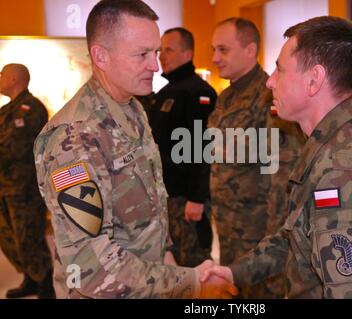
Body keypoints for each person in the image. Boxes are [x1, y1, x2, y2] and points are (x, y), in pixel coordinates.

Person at [203, 16, 352, 299]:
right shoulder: (336, 140)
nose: (270, 82)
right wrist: (235, 272)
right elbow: (299, 235)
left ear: (314, 80)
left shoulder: (343, 172)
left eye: (280, 70)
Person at [33, 0, 236, 299]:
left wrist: (169, 262)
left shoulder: (132, 109)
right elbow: (93, 267)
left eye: (155, 53)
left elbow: (151, 210)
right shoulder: (74, 138)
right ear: (101, 56)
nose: (155, 65)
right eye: (142, 54)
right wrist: (190, 283)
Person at [209, 17, 304, 298]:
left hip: (258, 232)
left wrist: (273, 237)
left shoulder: (269, 96)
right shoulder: (226, 97)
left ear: (250, 50)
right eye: (213, 49)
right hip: (227, 226)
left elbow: (281, 172)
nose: (214, 58)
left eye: (223, 50)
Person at [137, 27, 216, 267]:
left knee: (194, 263)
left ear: (188, 53)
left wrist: (196, 197)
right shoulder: (166, 92)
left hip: (186, 199)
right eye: (161, 50)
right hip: (168, 195)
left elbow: (202, 148)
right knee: (174, 263)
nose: (162, 56)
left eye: (169, 50)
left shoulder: (198, 93)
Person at [0, 63, 55, 298]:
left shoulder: (31, 108)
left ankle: (44, 284)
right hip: (6, 185)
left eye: (2, 74)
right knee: (9, 235)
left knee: (28, 235)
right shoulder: (7, 110)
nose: (0, 78)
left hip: (25, 187)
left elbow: (15, 147)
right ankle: (31, 277)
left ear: (14, 78)